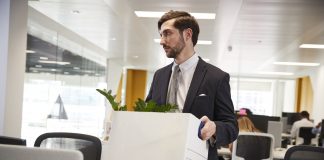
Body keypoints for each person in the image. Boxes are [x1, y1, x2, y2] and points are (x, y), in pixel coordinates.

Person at [145, 10, 238, 160]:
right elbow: (148, 114)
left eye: (167, 33)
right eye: (161, 35)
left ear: (188, 34)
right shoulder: (159, 76)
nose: (162, 41)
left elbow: (232, 128)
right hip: (159, 154)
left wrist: (214, 128)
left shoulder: (216, 77)